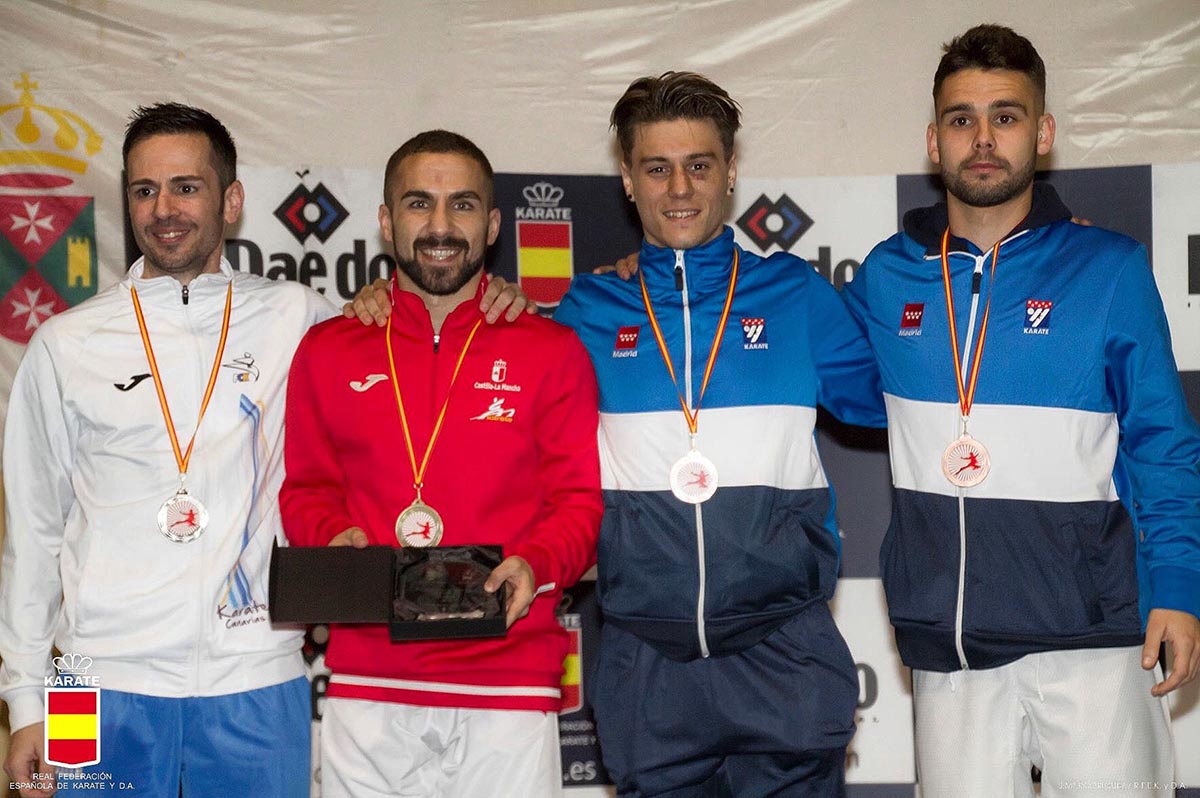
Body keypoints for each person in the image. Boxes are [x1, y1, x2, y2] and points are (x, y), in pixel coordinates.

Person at [0, 105, 531, 798]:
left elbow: (409, 327)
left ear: (232, 200)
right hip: (91, 682)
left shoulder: (299, 317)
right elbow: (34, 535)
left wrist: (491, 298)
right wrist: (26, 703)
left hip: (258, 677)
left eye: (186, 187)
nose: (164, 209)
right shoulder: (65, 345)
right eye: (143, 190)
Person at [840, 24, 1200, 797]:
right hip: (951, 641)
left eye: (1006, 117)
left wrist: (1177, 585)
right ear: (934, 140)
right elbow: (804, 362)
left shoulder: (1109, 269)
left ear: (1042, 134)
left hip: (1096, 638)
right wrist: (662, 273)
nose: (983, 138)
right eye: (962, 119)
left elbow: (1162, 441)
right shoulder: (887, 276)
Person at [553, 72, 885, 797]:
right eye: (657, 167)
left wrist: (993, 249)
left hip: (784, 656)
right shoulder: (585, 311)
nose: (680, 187)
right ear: (628, 180)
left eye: (699, 165)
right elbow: (504, 406)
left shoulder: (797, 297)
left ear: (730, 173)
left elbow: (911, 391)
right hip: (649, 668)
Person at [279, 129, 602, 798]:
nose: (439, 225)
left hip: (507, 685)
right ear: (386, 221)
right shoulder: (327, 349)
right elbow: (307, 487)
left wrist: (536, 565)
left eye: (462, 205)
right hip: (369, 680)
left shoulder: (552, 350)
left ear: (491, 225)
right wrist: (331, 540)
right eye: (419, 203)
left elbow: (577, 503)